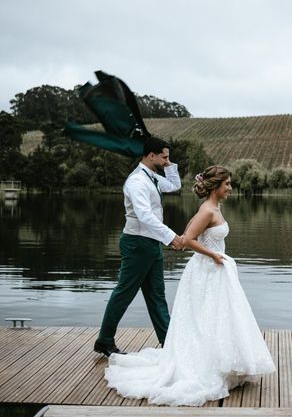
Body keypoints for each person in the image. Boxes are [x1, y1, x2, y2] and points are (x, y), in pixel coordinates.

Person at [104, 165, 275, 406]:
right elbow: (187, 240)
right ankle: (205, 365)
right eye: (227, 184)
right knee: (206, 318)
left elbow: (188, 234)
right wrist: (214, 255)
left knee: (215, 317)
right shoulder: (207, 210)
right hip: (207, 270)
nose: (230, 188)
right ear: (215, 186)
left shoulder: (213, 207)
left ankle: (218, 361)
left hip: (214, 271)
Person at [94, 137, 183, 357]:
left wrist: (169, 165)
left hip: (151, 244)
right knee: (124, 293)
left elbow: (174, 185)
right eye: (164, 157)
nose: (166, 161)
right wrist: (171, 237)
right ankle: (104, 341)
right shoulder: (136, 182)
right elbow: (144, 216)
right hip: (137, 244)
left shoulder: (152, 177)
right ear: (150, 155)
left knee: (157, 296)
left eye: (167, 157)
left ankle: (168, 343)